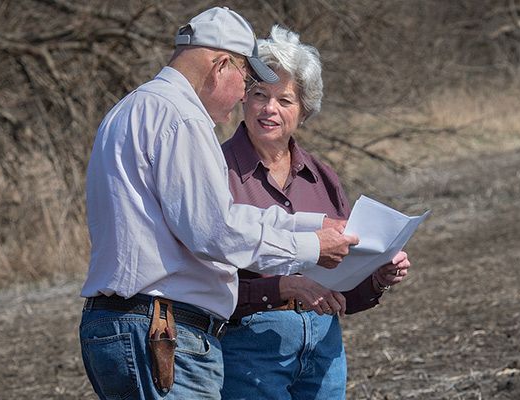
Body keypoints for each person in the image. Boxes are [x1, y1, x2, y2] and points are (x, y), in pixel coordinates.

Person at [78, 7, 359, 400]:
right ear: (220, 65)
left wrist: (310, 227)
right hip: (162, 332)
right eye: (247, 80)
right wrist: (312, 246)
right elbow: (214, 232)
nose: (246, 95)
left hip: (124, 326)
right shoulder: (183, 118)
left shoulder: (132, 108)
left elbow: (212, 218)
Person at [219, 25, 412, 400]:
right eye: (260, 94)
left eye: (285, 100)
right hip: (249, 345)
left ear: (304, 111)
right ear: (243, 98)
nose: (270, 109)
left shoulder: (322, 177)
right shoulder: (216, 170)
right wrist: (278, 289)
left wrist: (379, 276)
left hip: (324, 346)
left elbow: (344, 287)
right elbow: (203, 282)